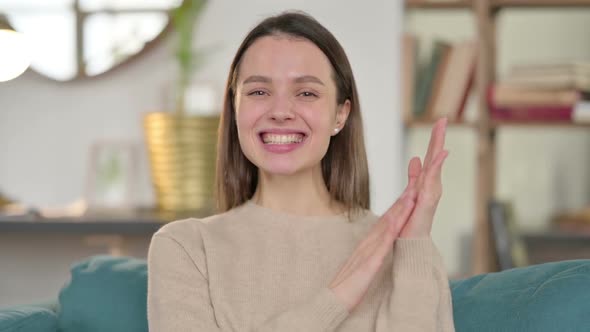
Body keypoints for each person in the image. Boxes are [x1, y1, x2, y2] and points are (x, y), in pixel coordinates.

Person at [148, 10, 455, 332]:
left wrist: (413, 245)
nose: (280, 111)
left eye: (306, 93)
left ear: (340, 114)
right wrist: (339, 295)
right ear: (235, 108)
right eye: (258, 92)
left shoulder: (406, 247)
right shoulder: (186, 247)